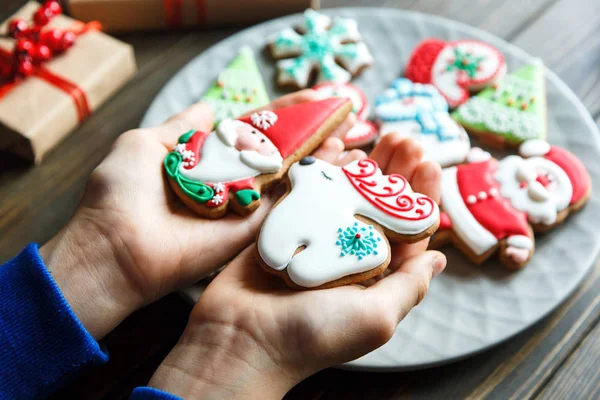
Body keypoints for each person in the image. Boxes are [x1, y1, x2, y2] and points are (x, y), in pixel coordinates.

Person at [0, 90, 446, 400]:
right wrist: (106, 248)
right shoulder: (257, 173)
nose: (305, 165)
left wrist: (103, 255)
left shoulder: (320, 203)